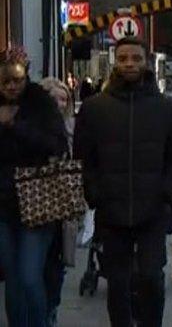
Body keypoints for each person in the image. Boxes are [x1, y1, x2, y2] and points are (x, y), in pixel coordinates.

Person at [73, 37, 172, 327]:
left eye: (136, 59)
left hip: (153, 209)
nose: (129, 64)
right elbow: (83, 157)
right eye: (123, 58)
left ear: (146, 62)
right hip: (111, 209)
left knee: (152, 276)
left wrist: (166, 189)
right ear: (115, 61)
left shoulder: (168, 109)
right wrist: (94, 192)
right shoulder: (94, 108)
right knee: (117, 281)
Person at [0, 48, 68, 327]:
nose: (11, 86)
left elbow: (55, 145)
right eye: (5, 81)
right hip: (2, 206)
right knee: (13, 279)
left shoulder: (40, 104)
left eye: (17, 80)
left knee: (29, 276)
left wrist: (14, 125)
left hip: (37, 201)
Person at [39, 78, 76, 327]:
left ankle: (51, 307)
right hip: (33, 203)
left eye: (63, 98)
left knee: (56, 263)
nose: (59, 103)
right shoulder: (29, 124)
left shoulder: (74, 128)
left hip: (63, 207)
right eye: (53, 98)